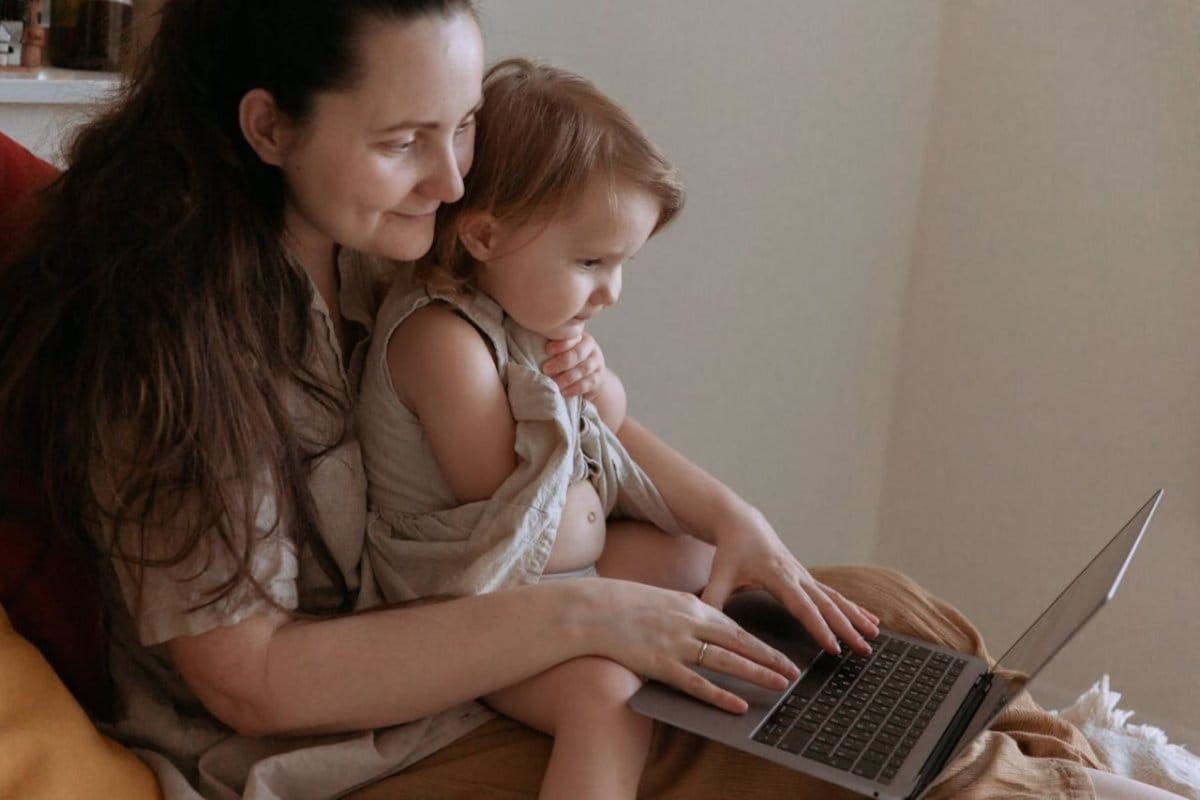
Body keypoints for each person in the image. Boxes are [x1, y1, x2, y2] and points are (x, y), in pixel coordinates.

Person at [0, 1, 1183, 798]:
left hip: (491, 639)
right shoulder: (164, 345)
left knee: (876, 617)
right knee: (765, 753)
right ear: (267, 125)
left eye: (463, 127)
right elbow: (246, 674)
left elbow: (562, 416)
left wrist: (730, 519)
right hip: (334, 748)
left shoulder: (390, 244)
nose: (459, 178)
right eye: (409, 138)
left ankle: (1057, 759)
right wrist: (591, 615)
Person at [356, 57, 881, 800]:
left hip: (551, 583)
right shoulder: (442, 343)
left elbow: (608, 431)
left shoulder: (526, 317)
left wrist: (593, 385)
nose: (611, 291)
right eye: (591, 261)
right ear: (484, 236)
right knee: (607, 701)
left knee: (701, 555)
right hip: (471, 606)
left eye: (623, 263)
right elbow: (518, 502)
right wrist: (570, 414)